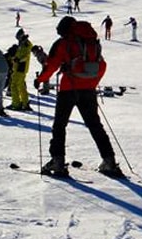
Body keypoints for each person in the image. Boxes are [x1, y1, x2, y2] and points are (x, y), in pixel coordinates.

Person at [34, 17, 123, 178]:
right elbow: (102, 65)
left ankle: (57, 162)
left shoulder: (64, 42)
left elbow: (51, 65)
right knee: (95, 126)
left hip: (68, 89)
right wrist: (91, 83)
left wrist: (39, 80)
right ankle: (109, 161)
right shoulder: (91, 42)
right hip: (88, 90)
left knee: (59, 126)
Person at [8, 30, 33, 111]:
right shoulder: (23, 44)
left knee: (14, 85)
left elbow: (26, 55)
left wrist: (18, 60)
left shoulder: (25, 44)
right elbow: (19, 55)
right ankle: (25, 103)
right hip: (19, 67)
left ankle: (16, 104)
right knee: (21, 85)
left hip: (20, 68)